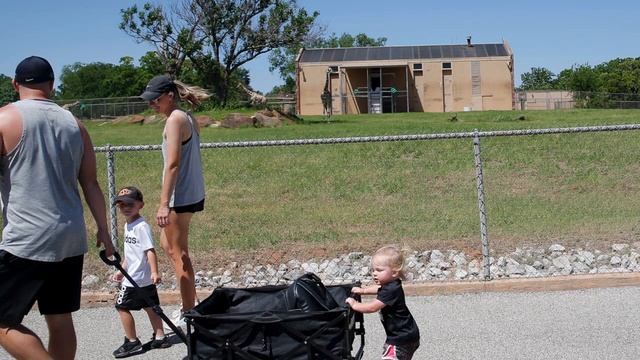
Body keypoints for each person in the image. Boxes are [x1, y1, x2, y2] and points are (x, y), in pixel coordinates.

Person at [0, 55, 115, 359]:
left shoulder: (4, 119)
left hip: (28, 239)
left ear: (15, 85)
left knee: (2, 320)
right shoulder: (75, 125)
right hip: (71, 236)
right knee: (60, 318)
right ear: (51, 85)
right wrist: (104, 230)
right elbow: (90, 184)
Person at [140, 74, 209, 328]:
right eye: (149, 101)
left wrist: (163, 203)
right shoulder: (185, 117)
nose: (152, 104)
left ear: (170, 95)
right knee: (168, 246)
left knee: (179, 253)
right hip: (187, 194)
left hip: (180, 197)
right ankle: (190, 302)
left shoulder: (176, 119)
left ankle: (190, 312)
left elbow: (173, 164)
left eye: (155, 99)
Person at [111, 186, 172, 358]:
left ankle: (132, 341)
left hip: (137, 279)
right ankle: (160, 337)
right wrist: (122, 268)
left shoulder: (141, 226)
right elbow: (131, 252)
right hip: (135, 276)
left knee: (121, 307)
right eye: (121, 204)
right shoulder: (128, 224)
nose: (126, 207)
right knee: (150, 307)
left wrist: (155, 272)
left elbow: (149, 250)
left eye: (130, 203)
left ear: (141, 205)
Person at [346, 245, 420, 360]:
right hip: (406, 335)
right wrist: (364, 291)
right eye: (373, 270)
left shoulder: (390, 290)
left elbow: (372, 307)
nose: (374, 273)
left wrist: (355, 305)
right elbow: (379, 289)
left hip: (400, 339)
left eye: (379, 270)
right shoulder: (392, 285)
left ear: (394, 272)